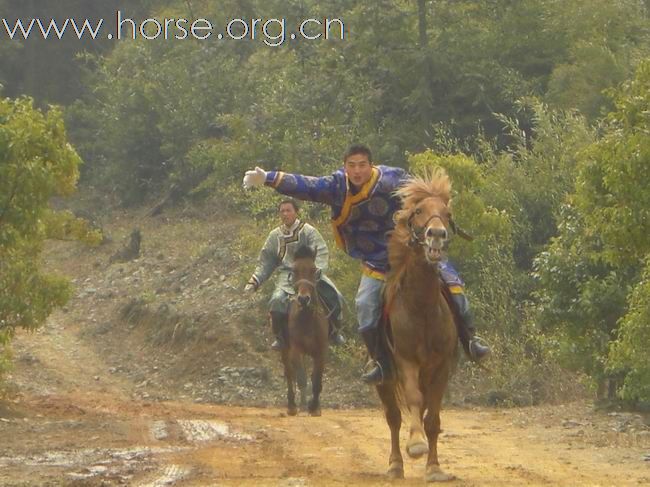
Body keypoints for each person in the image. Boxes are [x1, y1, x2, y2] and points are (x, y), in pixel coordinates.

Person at [243, 145, 490, 384]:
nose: (357, 171)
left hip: (413, 249)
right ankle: (379, 360)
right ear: (345, 167)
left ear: (371, 166)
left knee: (454, 284)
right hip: (375, 257)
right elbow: (308, 186)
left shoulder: (393, 179)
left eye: (362, 165)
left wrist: (437, 212)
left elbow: (426, 197)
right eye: (352, 166)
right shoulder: (337, 186)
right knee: (363, 303)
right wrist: (269, 178)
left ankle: (470, 338)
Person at [244, 199, 346, 351]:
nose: (285, 214)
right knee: (276, 301)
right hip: (287, 275)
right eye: (282, 211)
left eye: (288, 210)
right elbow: (266, 261)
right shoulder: (274, 236)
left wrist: (317, 270)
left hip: (310, 274)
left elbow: (321, 251)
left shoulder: (308, 231)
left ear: (296, 212)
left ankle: (335, 331)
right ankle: (279, 337)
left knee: (336, 296)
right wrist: (255, 281)